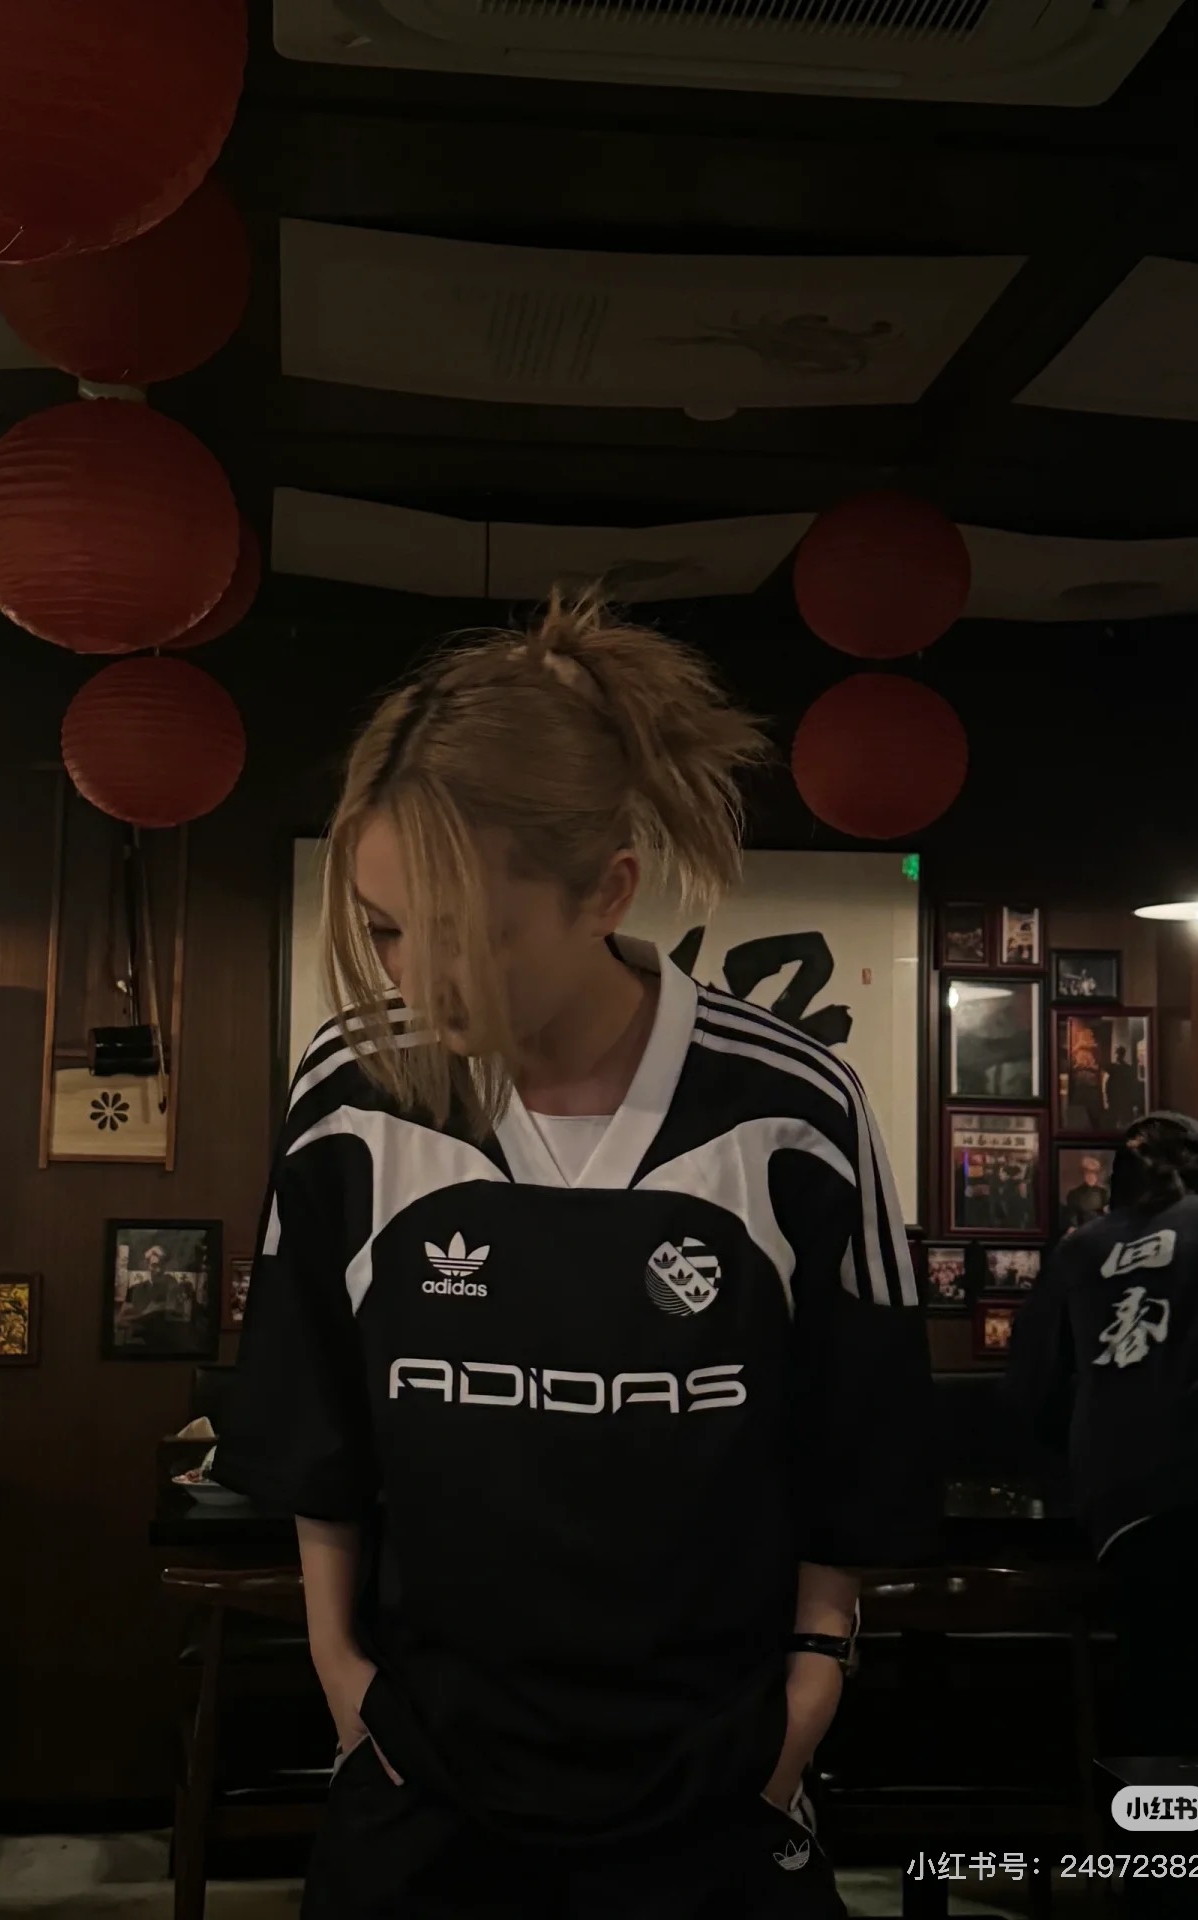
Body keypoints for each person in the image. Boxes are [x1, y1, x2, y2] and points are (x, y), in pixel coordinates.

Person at [215, 593, 937, 1919]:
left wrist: (808, 1691)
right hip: (424, 1770)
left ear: (606, 892)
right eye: (385, 927)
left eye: (465, 933)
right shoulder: (354, 1094)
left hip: (715, 1779)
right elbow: (315, 1421)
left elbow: (856, 1442)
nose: (415, 978)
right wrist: (340, 1675)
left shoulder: (793, 1109)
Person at [1004, 1112, 1198, 1756]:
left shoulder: (1079, 1249)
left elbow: (1034, 1383)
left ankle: (1165, 1807)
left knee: (1161, 1676)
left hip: (1124, 1489)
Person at [1062, 1155, 1109, 1232]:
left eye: (1094, 1172)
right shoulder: (1074, 1194)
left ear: (1098, 1175)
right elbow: (1072, 1218)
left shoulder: (1104, 1193)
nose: (1091, 1176)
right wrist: (1072, 1227)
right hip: (1082, 1232)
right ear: (1084, 1174)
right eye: (1088, 1172)